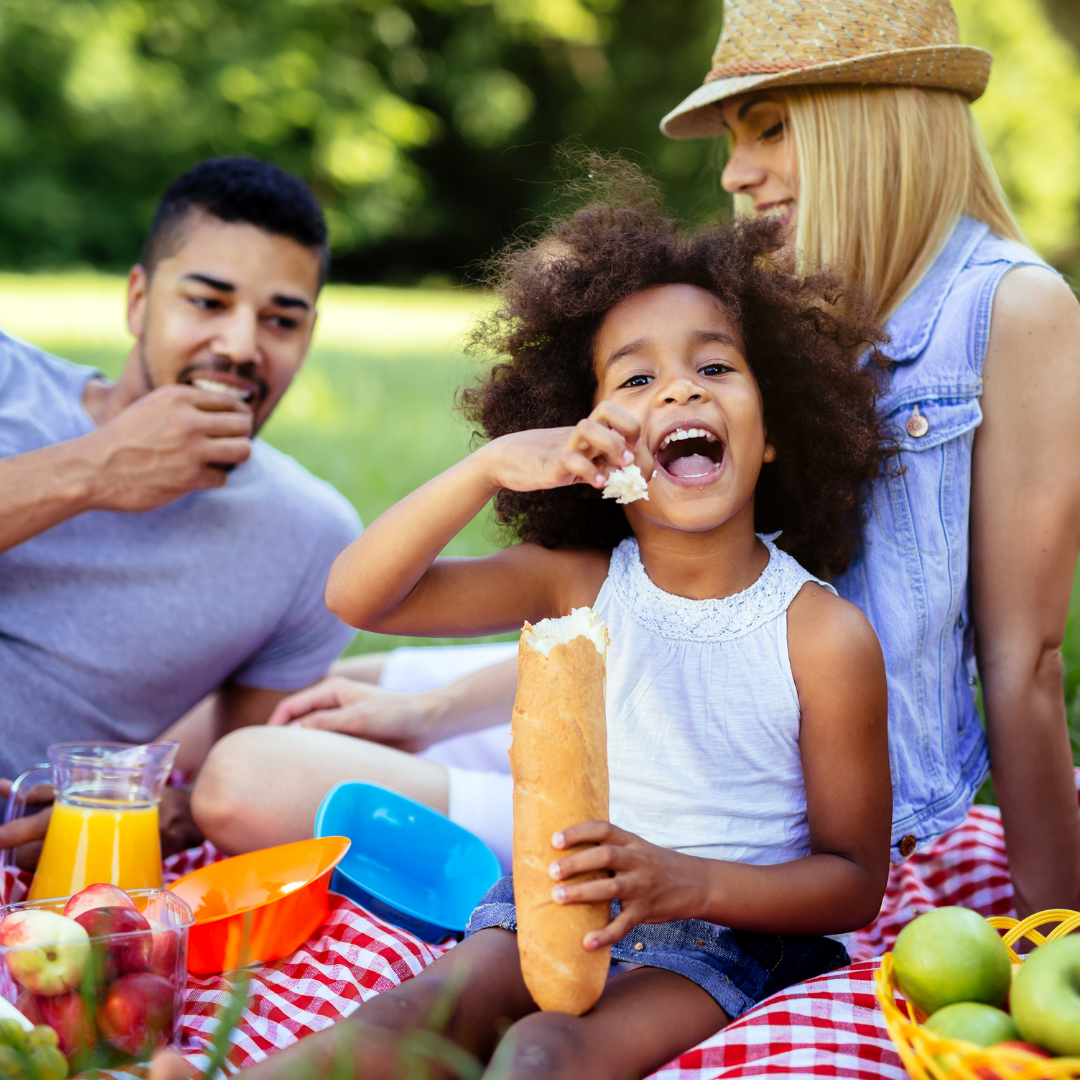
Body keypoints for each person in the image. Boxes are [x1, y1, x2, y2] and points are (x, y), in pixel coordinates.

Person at [204, 0, 1080, 921]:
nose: (737, 173)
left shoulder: (1011, 311)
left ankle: (509, 873)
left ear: (879, 118)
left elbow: (1022, 662)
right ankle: (118, 786)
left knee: (248, 774)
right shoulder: (782, 292)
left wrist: (1051, 928)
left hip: (731, 814)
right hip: (651, 701)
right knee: (306, 691)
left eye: (771, 128)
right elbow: (679, 613)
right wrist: (436, 711)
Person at [229, 169, 892, 1080]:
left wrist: (686, 882)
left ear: (775, 428)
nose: (679, 393)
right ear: (590, 433)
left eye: (714, 367)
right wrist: (491, 469)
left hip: (731, 937)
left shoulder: (825, 635)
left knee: (543, 1051)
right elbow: (359, 597)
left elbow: (854, 881)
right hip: (553, 899)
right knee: (425, 1008)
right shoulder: (578, 584)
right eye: (638, 377)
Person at [0, 156, 363, 860]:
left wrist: (173, 813)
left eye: (281, 321)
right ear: (139, 300)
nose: (238, 346)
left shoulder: (312, 540)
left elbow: (243, 776)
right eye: (206, 302)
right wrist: (95, 468)